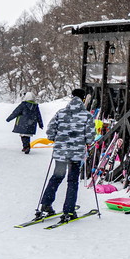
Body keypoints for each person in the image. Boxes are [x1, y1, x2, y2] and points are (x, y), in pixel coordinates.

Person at [37, 89, 96, 223]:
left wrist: (55, 138)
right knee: (73, 181)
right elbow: (90, 136)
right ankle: (69, 209)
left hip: (61, 152)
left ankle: (46, 204)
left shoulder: (61, 113)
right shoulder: (86, 115)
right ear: (82, 99)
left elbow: (50, 129)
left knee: (57, 177)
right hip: (76, 154)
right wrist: (86, 142)